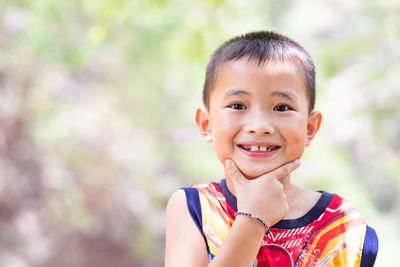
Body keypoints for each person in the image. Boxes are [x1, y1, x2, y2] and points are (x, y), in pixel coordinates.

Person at [164, 31, 378, 267]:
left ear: (309, 128)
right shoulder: (193, 206)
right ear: (207, 125)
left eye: (282, 107)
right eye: (238, 105)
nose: (260, 126)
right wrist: (252, 220)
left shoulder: (342, 227)